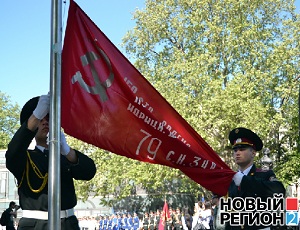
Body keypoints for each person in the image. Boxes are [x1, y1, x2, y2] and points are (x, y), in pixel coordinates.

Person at [5, 94, 97, 230]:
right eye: (40, 119)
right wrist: (35, 116)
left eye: (49, 118)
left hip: (67, 224)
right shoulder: (25, 157)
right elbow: (13, 152)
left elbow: (89, 171)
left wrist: (66, 150)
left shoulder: (65, 156)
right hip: (35, 225)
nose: (45, 122)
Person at [226, 127, 286, 230]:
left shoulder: (264, 174)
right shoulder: (231, 180)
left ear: (253, 153)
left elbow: (279, 190)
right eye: (235, 150)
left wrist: (244, 181)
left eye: (242, 149)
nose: (237, 153)